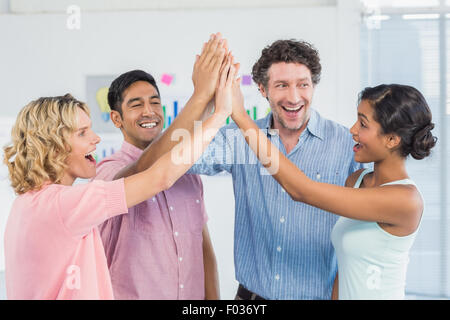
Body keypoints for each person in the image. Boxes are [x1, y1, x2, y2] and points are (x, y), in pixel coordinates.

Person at [136, 38, 367, 299]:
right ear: (262, 89)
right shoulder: (238, 139)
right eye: (282, 85)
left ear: (313, 86)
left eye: (303, 84)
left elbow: (365, 238)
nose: (294, 97)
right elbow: (163, 157)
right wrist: (202, 96)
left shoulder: (347, 146)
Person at [2, 52, 236, 299]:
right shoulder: (65, 204)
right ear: (54, 144)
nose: (96, 138)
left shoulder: (28, 204)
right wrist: (218, 114)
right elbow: (159, 177)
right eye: (82, 133)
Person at [231, 83, 437, 299]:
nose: (353, 130)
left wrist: (241, 117)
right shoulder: (356, 181)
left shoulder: (404, 200)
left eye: (363, 124)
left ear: (392, 139)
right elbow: (343, 268)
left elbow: (301, 190)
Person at [94, 34, 227, 300]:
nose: (149, 111)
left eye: (155, 102)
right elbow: (145, 170)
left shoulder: (188, 175)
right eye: (136, 104)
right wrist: (201, 97)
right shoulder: (107, 173)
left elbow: (204, 249)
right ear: (117, 119)